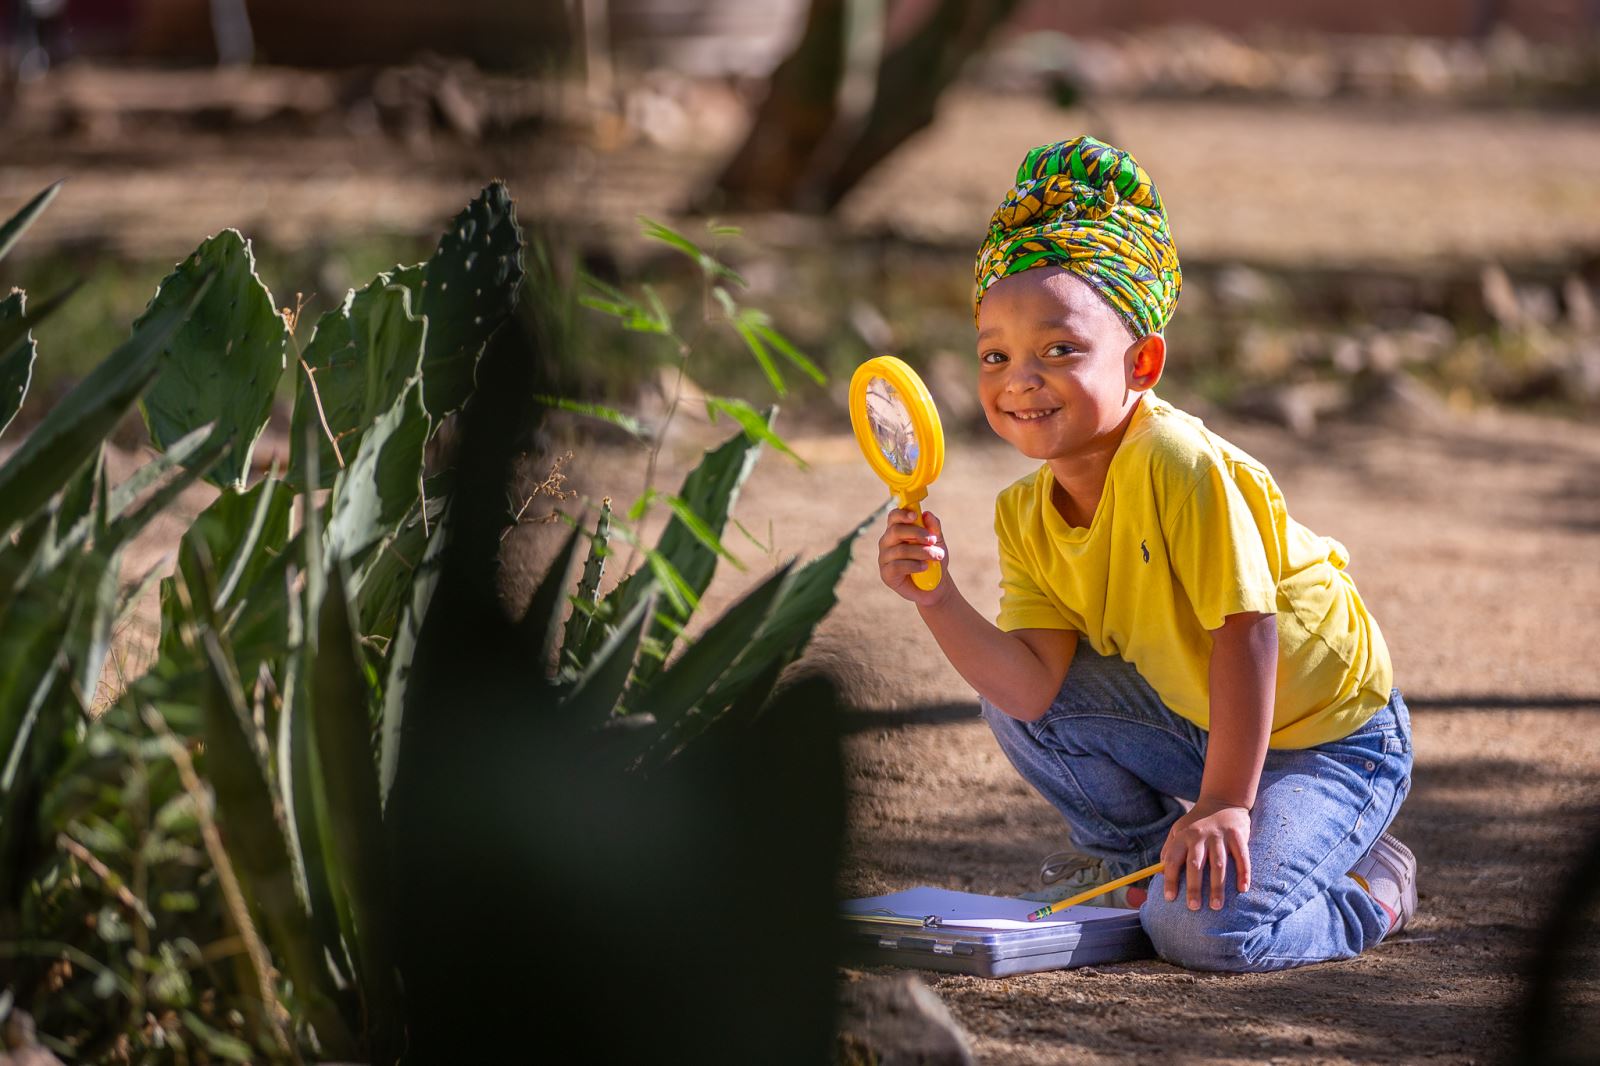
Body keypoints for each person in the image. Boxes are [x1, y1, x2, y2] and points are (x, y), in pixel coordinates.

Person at [875, 135, 1416, 972]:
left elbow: (1247, 631)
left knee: (1201, 932)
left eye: (1060, 350)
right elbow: (1028, 687)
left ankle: (1369, 891)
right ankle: (1136, 859)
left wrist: (1226, 803)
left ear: (1142, 361)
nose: (1021, 378)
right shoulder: (1025, 510)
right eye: (996, 354)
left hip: (1333, 738)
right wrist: (937, 595)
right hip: (1211, 724)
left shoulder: (1177, 462)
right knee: (1016, 708)